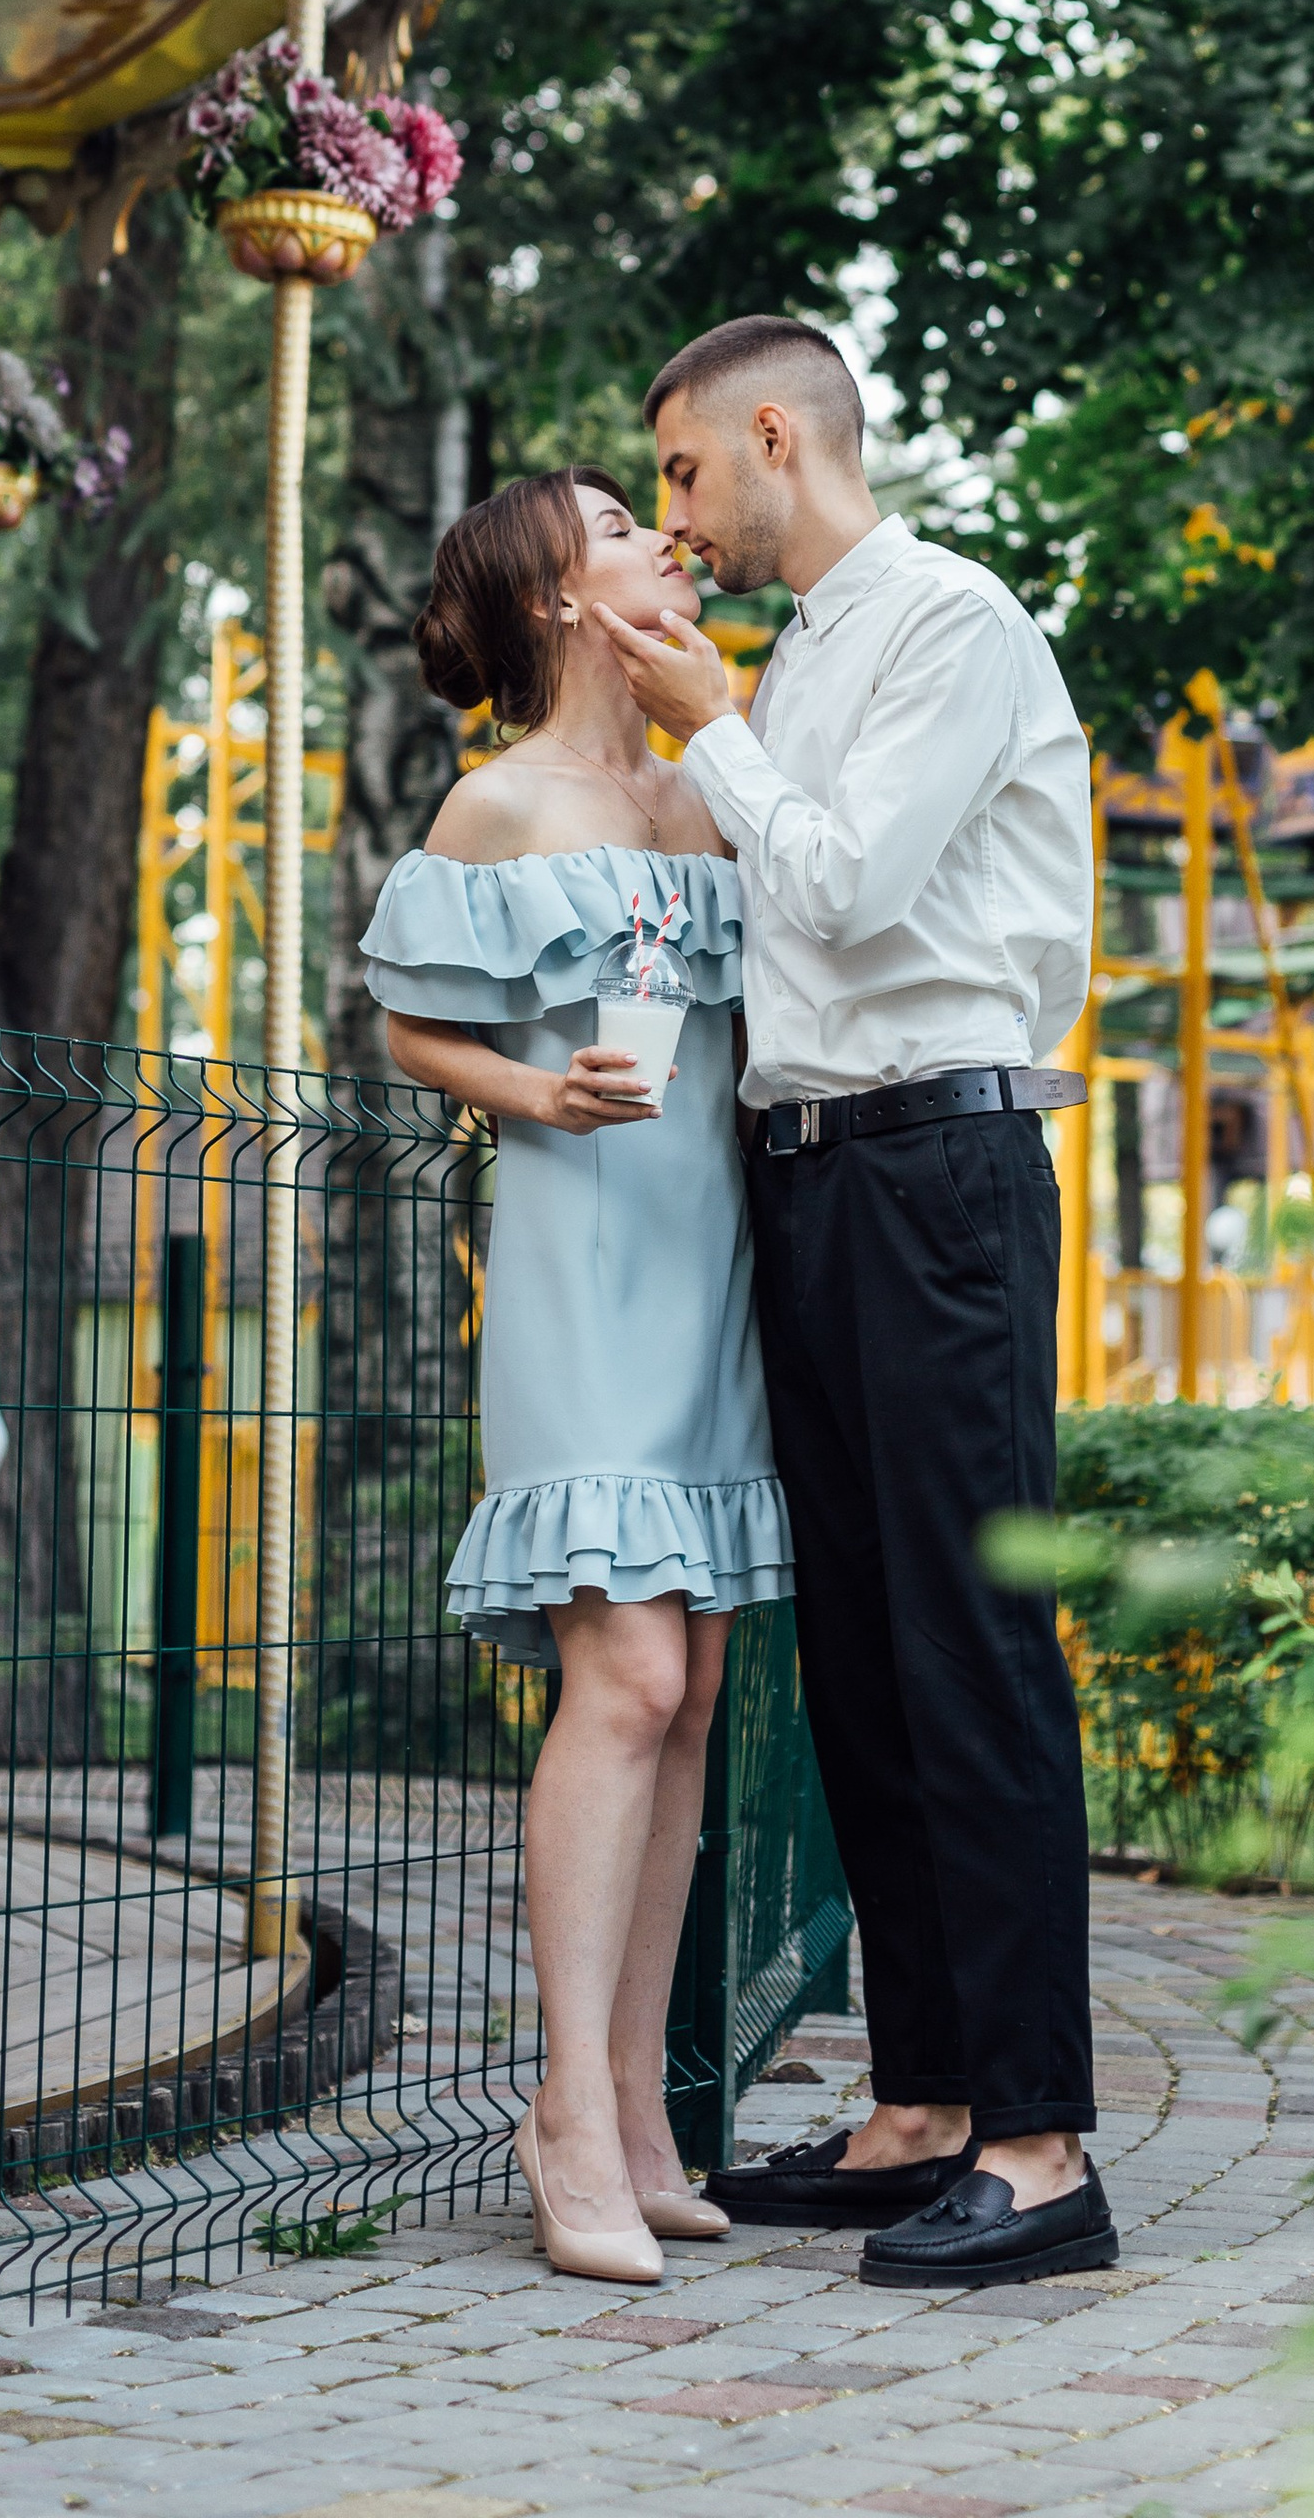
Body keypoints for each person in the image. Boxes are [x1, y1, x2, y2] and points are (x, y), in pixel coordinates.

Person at [592, 315, 1112, 2295]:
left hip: (937, 1163)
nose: (674, 515)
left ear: (772, 435)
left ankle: (1044, 2148)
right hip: (808, 1177)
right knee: (864, 1663)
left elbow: (855, 889)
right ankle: (920, 2106)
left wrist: (704, 719)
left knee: (968, 1636)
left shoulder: (944, 622)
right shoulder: (801, 659)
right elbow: (736, 901)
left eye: (683, 475)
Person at [359, 467, 794, 2290]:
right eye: (618, 524)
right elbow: (406, 1021)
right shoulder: (498, 802)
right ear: (551, 595)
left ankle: (637, 2100)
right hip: (580, 1256)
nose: (655, 539)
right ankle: (560, 2113)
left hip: (720, 1266)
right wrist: (539, 1094)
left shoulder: (707, 789)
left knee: (690, 1684)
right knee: (618, 1671)